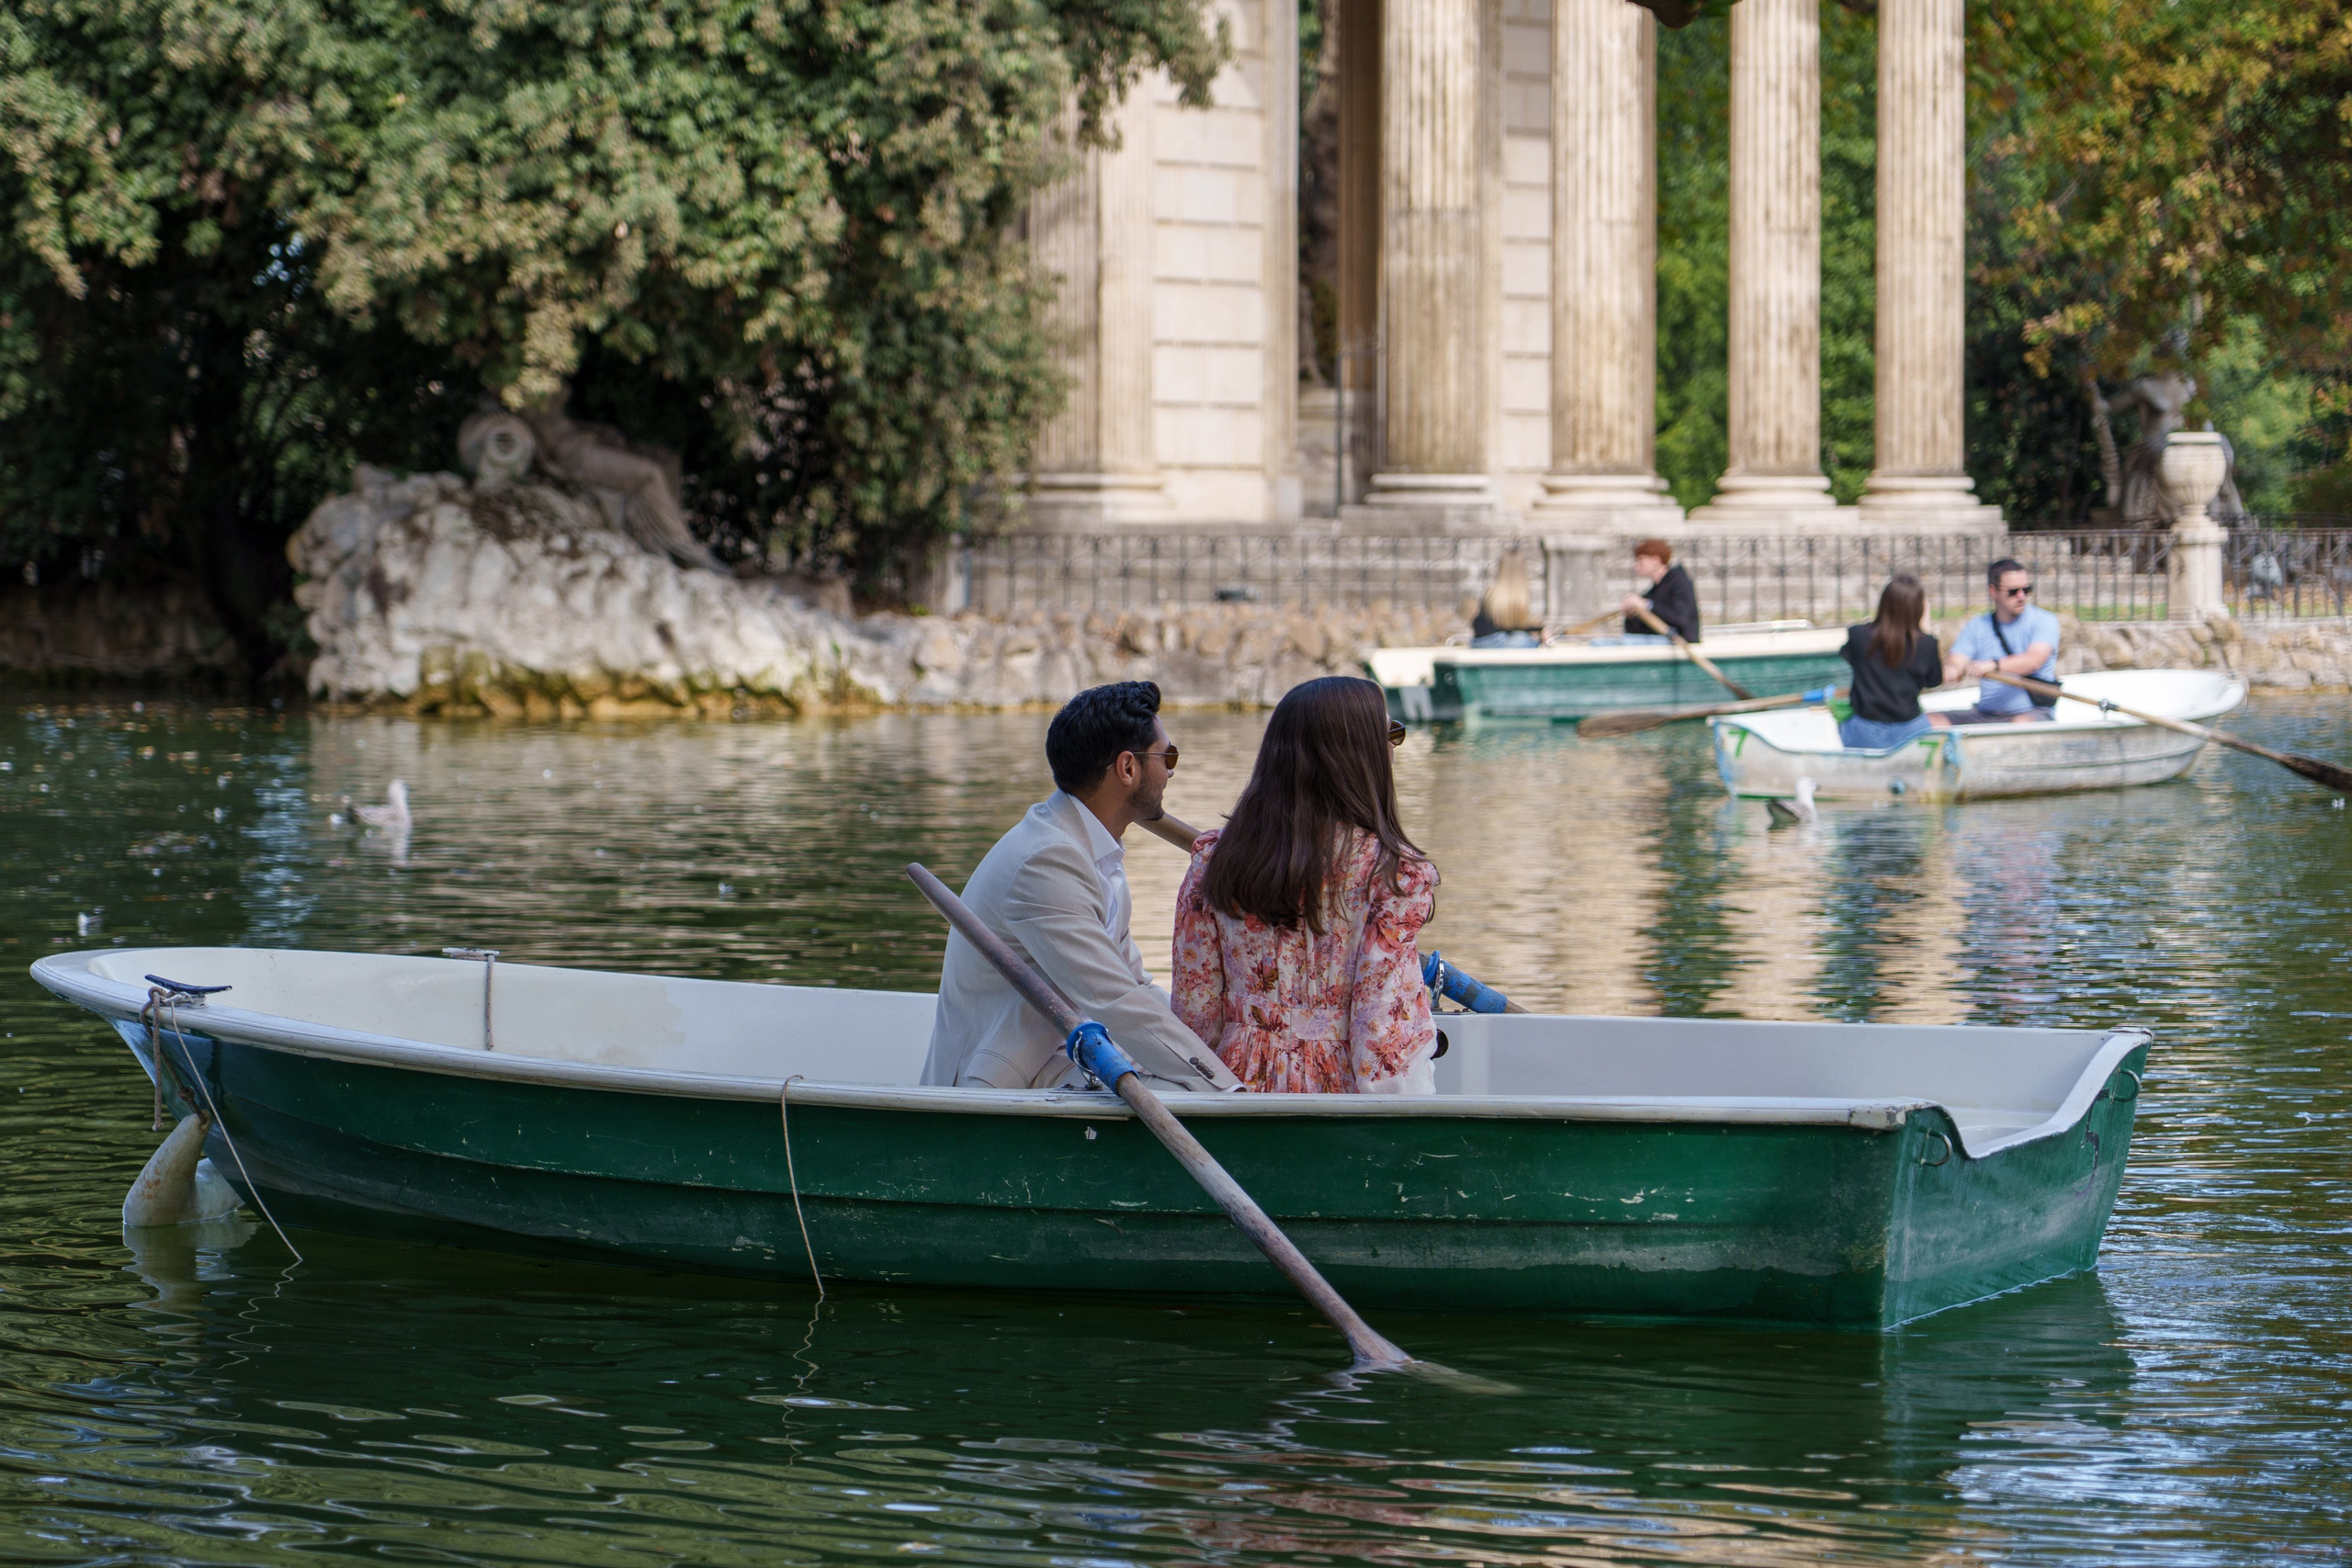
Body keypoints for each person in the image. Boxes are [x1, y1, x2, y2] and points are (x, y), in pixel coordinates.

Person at [921, 682, 1238, 1092]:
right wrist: (1225, 1089)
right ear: (1128, 768)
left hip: (1069, 1051)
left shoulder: (1094, 848)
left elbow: (1135, 985)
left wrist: (1220, 1052)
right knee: (1185, 1091)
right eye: (1168, 755)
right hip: (999, 1080)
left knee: (1192, 1076)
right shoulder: (1048, 861)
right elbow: (1117, 1001)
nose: (1172, 770)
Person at [1171, 676, 1440, 1095]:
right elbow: (1380, 1037)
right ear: (1359, 753)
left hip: (1236, 1087)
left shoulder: (1213, 861)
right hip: (1339, 1094)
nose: (1393, 747)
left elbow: (1195, 1013)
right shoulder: (1392, 874)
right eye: (1391, 733)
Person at [1942, 558, 2061, 724]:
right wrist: (1952, 669)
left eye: (2026, 590)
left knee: (2019, 725)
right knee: (1930, 721)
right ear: (1993, 591)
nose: (2021, 597)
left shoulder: (2044, 621)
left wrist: (1993, 665)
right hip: (1985, 714)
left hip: (2031, 713)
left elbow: (2033, 661)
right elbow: (1957, 659)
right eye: (2013, 591)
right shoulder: (1977, 625)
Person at [1838, 574, 1950, 750]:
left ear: (1884, 603)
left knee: (1845, 723)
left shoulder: (1857, 635)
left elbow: (1848, 656)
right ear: (1919, 608)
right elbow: (1934, 681)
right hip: (1909, 728)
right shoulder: (1927, 644)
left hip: (1866, 729)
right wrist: (1926, 630)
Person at [1620, 538, 1700, 642]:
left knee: (1622, 643)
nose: (1636, 566)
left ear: (1655, 561)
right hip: (1660, 639)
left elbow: (1680, 618)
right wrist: (1630, 615)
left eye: (1640, 560)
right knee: (1601, 643)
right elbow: (1635, 630)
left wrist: (1647, 605)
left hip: (1680, 641)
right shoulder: (1655, 590)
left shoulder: (1680, 583)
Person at [1470, 549, 1541, 648]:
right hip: (1500, 642)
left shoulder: (1491, 592)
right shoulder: (1520, 595)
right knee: (1527, 641)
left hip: (1480, 642)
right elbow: (1514, 628)